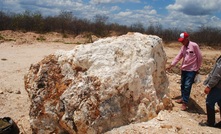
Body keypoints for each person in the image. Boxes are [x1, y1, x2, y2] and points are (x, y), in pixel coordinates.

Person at [166, 32, 202, 111]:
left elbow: (199, 57)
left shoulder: (194, 46)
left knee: (187, 86)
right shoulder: (183, 47)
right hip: (184, 69)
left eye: (183, 40)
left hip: (192, 70)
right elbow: (178, 57)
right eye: (181, 41)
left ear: (187, 39)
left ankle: (185, 103)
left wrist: (197, 68)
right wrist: (171, 65)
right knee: (182, 85)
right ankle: (183, 98)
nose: (181, 42)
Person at [199, 56, 221, 128]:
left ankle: (210, 122)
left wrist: (209, 86)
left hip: (218, 87)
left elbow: (217, 75)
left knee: (209, 102)